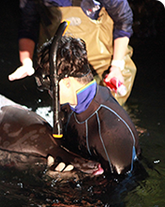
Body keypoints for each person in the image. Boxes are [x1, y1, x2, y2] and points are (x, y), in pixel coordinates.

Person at [37, 35, 140, 175]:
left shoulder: (110, 132)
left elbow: (122, 188)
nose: (47, 91)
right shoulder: (69, 105)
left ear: (67, 81)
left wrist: (72, 179)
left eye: (49, 84)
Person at [9, 0, 136, 105]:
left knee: (107, 112)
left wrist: (116, 66)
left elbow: (123, 24)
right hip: (59, 66)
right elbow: (27, 27)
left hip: (104, 65)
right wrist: (26, 62)